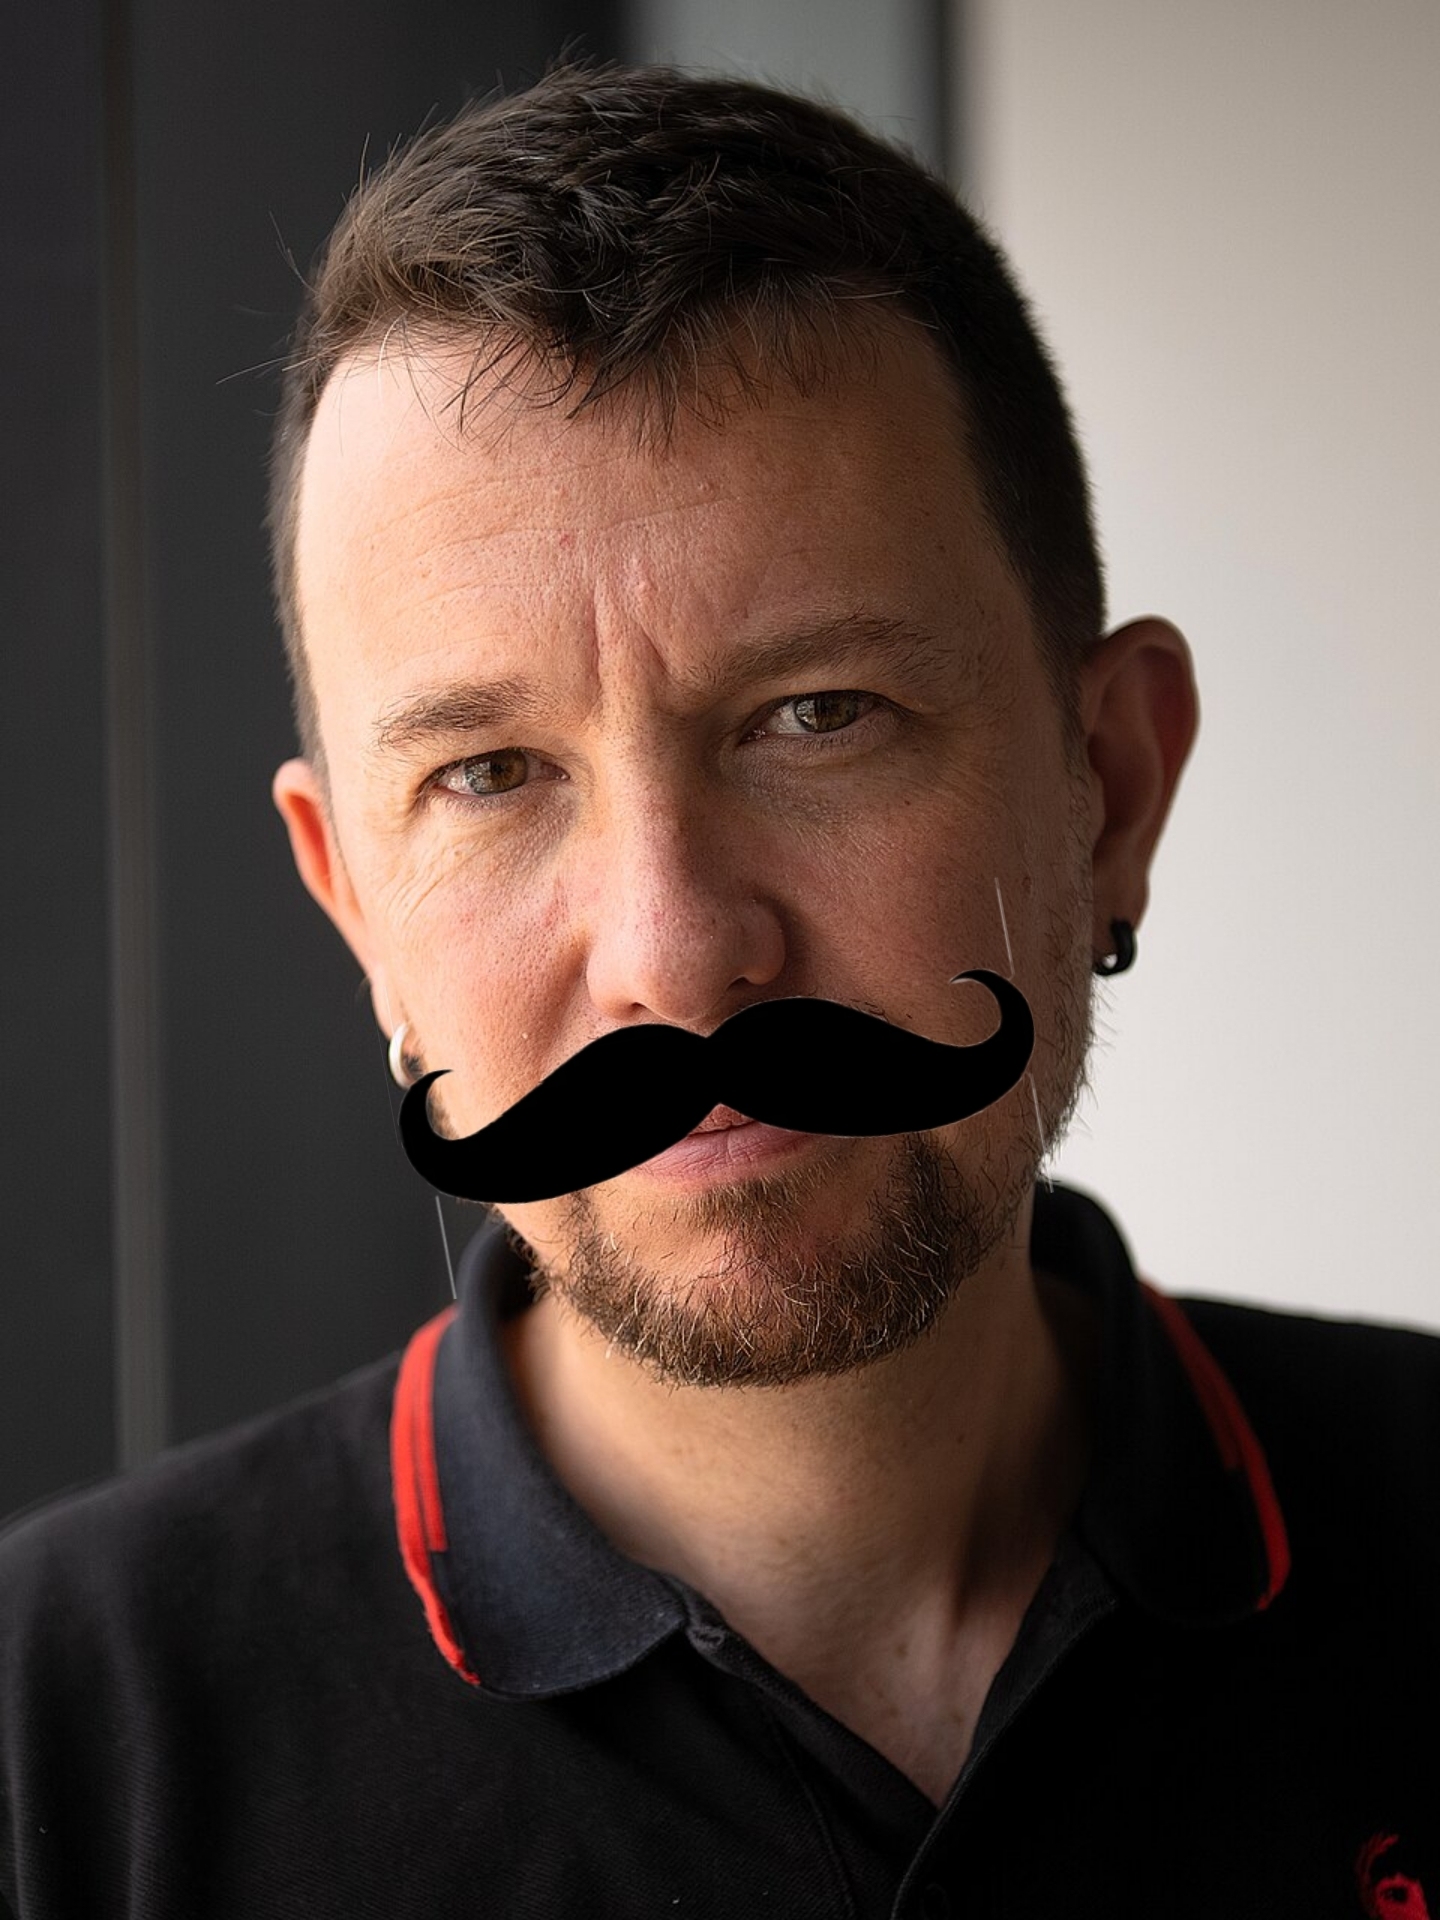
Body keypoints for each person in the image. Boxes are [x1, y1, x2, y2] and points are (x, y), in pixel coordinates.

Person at [2, 61, 1436, 1919]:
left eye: (817, 717)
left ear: (1113, 786)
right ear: (357, 909)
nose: (674, 953)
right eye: (490, 774)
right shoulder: (54, 1752)